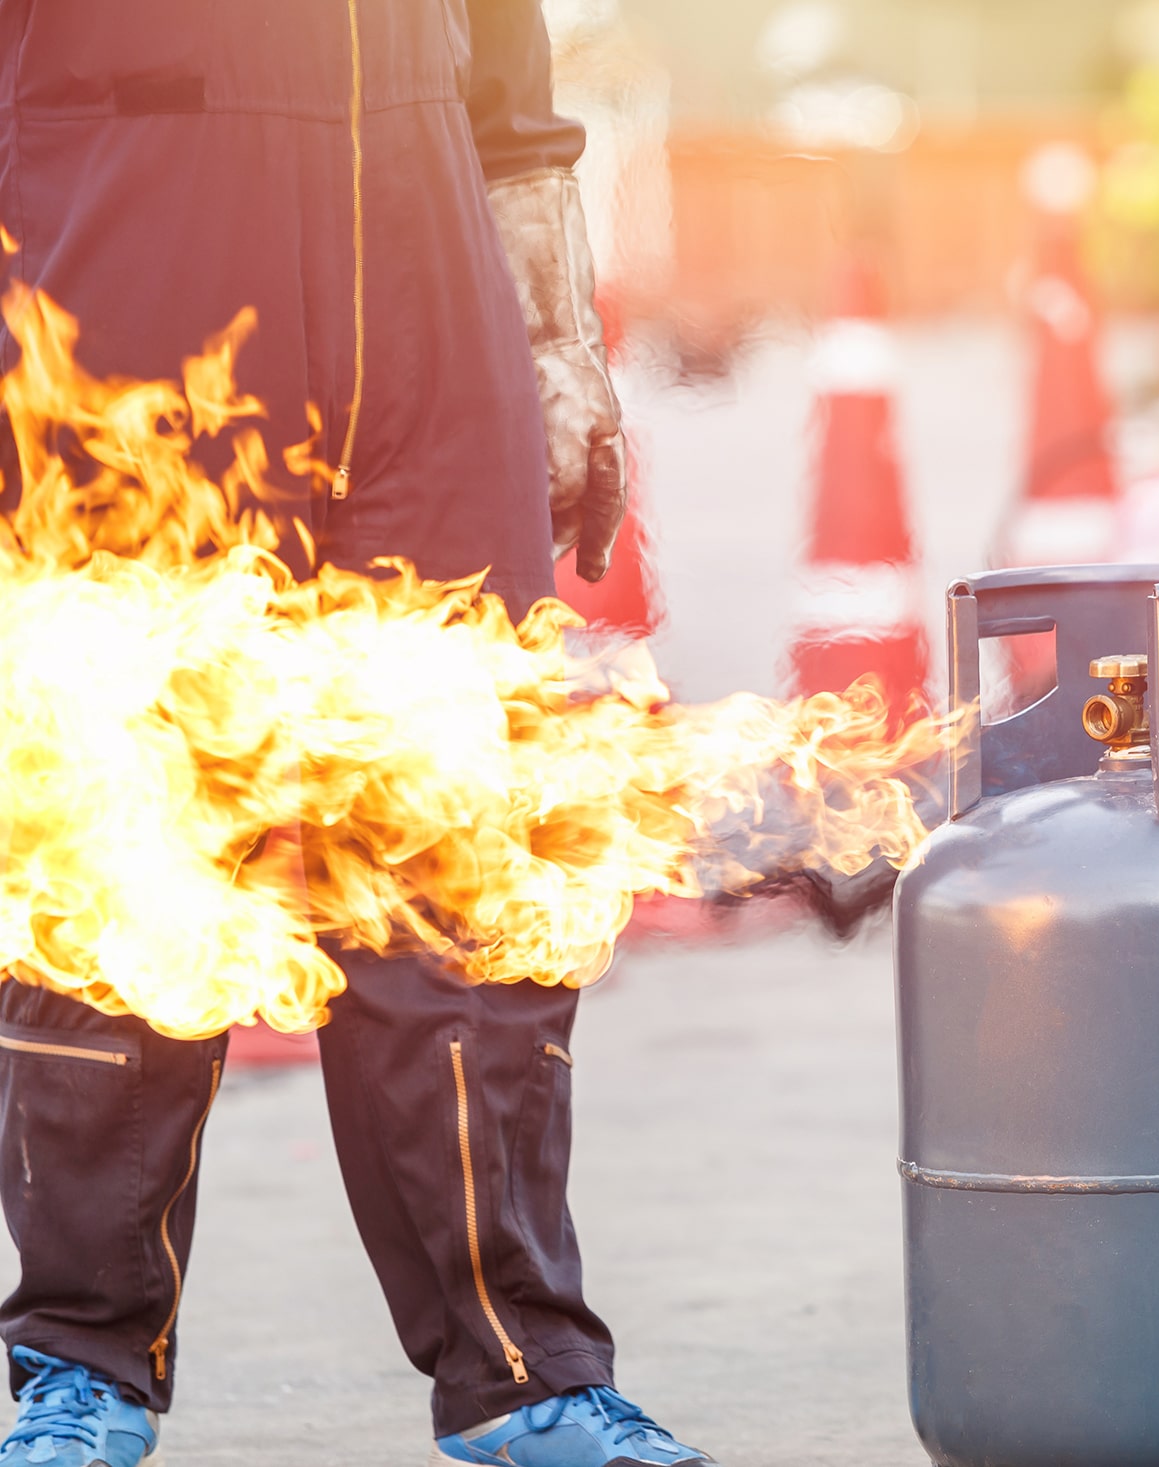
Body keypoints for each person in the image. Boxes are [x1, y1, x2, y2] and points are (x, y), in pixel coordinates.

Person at [0, 2, 703, 1464]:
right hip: (126, 269)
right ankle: (81, 1364)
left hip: (425, 297)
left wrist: (560, 337)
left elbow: (508, 78)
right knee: (123, 824)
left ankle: (528, 1370)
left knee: (454, 849)